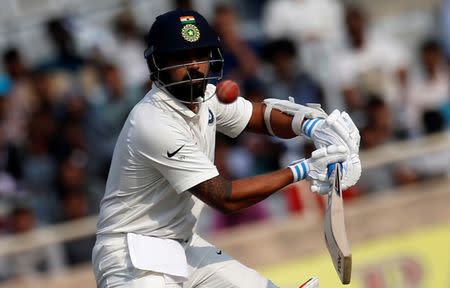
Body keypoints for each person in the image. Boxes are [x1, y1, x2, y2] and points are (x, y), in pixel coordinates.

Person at [92, 9, 361, 288]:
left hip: (180, 245)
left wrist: (312, 125)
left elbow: (260, 117)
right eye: (182, 58)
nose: (195, 66)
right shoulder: (153, 122)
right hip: (132, 258)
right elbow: (225, 197)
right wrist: (304, 170)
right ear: (158, 63)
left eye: (200, 55)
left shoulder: (207, 95)